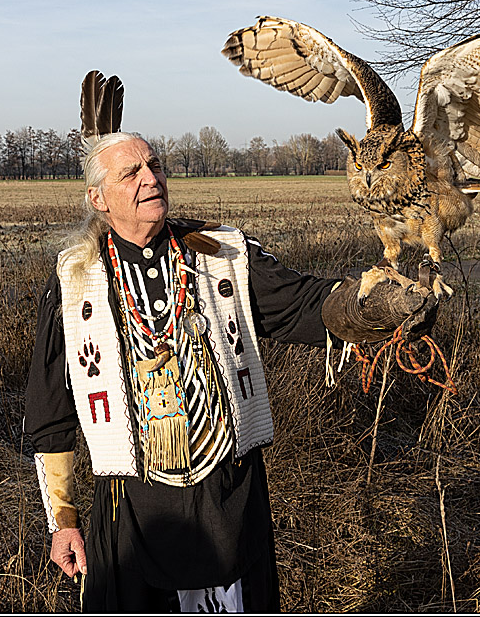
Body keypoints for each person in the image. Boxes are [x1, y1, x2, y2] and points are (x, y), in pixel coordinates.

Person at [25, 76, 437, 613]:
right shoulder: (76, 281)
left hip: (227, 496)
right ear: (98, 198)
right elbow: (51, 413)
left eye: (155, 166)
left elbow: (301, 304)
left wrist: (368, 305)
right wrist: (63, 519)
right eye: (132, 172)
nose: (152, 178)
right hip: (131, 507)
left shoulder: (221, 254)